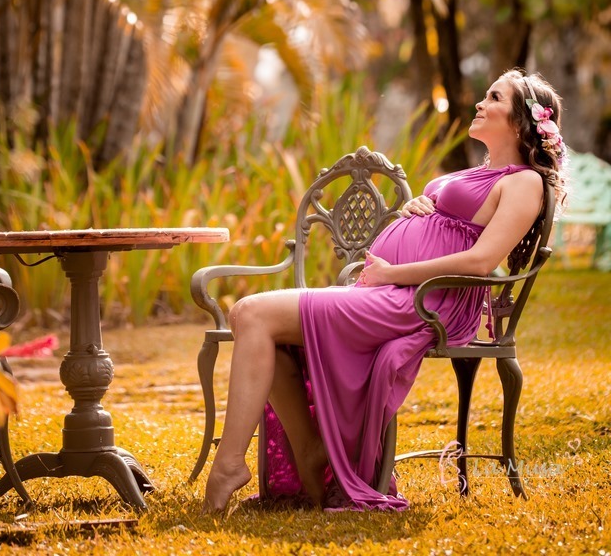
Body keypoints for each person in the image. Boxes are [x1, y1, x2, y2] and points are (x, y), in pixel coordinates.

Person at [203, 68, 566, 514]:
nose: (479, 103)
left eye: (493, 97)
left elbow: (479, 260)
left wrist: (396, 273)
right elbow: (453, 223)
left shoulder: (524, 181)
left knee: (251, 313)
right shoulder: (482, 171)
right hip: (393, 291)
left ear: (518, 122)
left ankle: (228, 467)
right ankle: (311, 452)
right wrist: (418, 209)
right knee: (264, 334)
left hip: (427, 302)